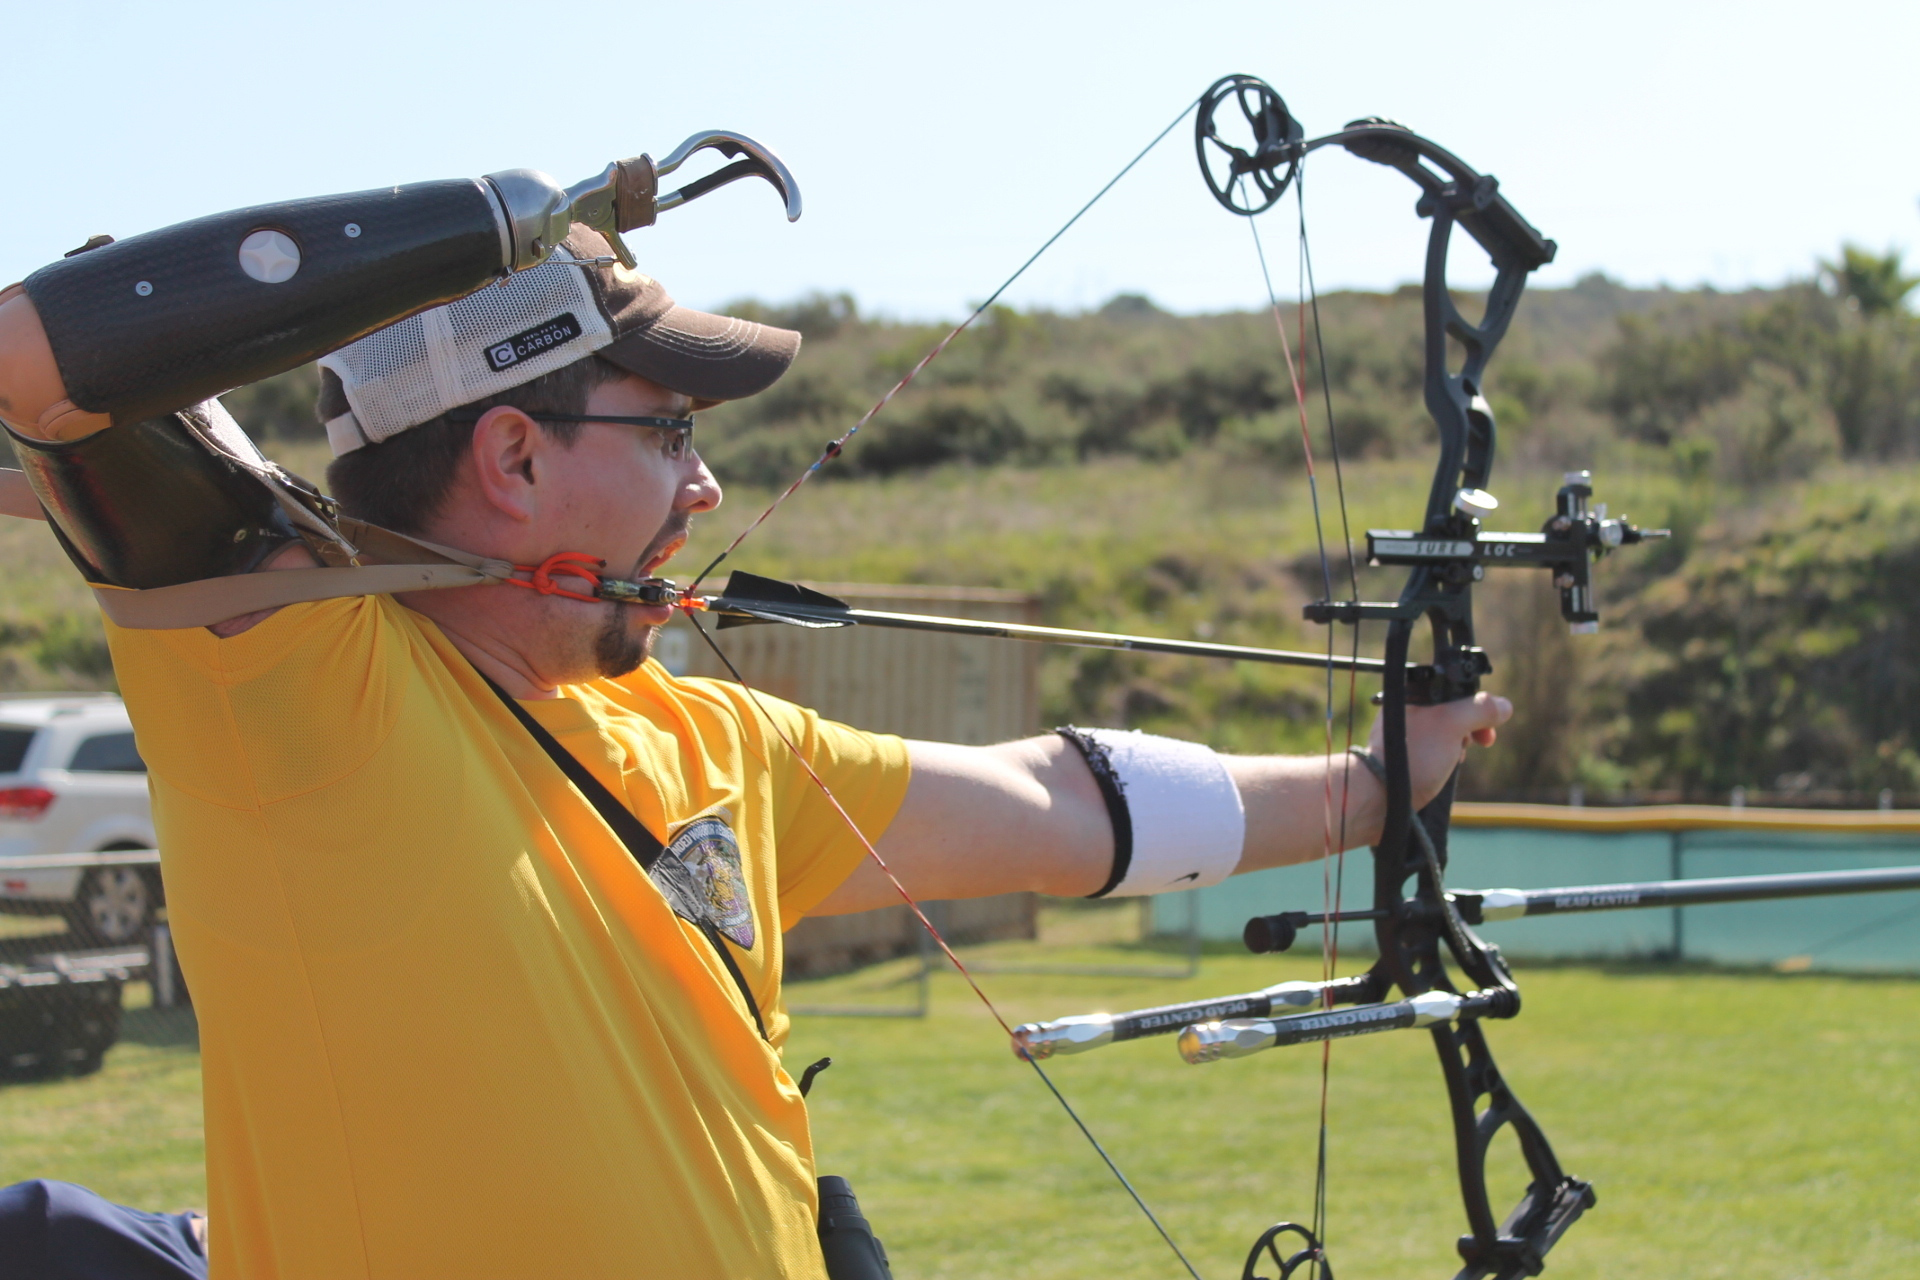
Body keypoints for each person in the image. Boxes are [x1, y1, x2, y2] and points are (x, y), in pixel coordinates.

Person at [0, 195, 1509, 1279]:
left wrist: (1376, 786)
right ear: (514, 455)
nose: (707, 487)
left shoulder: (707, 734)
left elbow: (1054, 802)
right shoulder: (299, 687)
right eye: (670, 431)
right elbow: (41, 361)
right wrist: (503, 222)